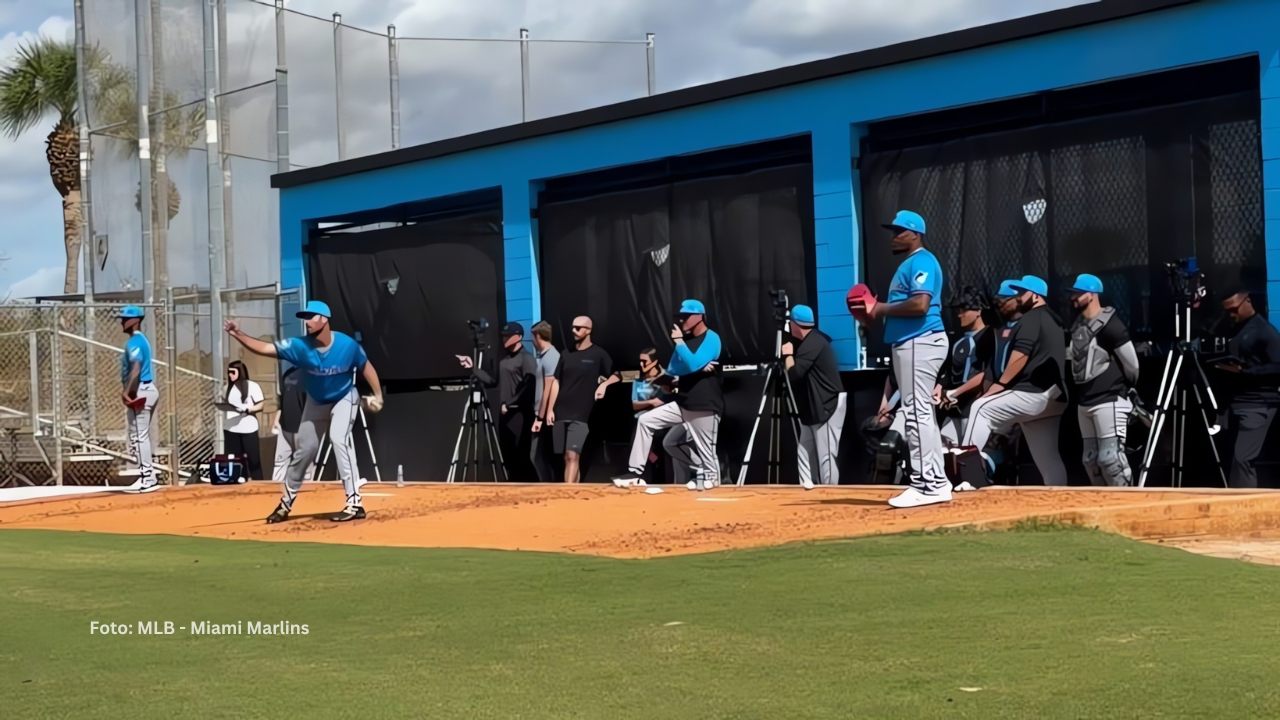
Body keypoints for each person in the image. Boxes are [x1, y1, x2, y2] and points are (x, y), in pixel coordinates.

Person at [225, 300, 384, 523]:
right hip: (316, 400)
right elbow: (264, 348)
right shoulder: (299, 346)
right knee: (305, 450)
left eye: (312, 316)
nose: (307, 321)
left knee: (339, 439)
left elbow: (366, 367)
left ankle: (354, 503)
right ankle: (285, 504)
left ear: (324, 319)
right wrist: (238, 333)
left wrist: (378, 396)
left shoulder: (346, 345)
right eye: (305, 317)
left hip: (344, 396)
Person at [854, 210, 951, 508]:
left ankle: (927, 484)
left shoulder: (921, 260)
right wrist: (872, 315)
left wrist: (879, 308)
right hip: (914, 343)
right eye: (893, 231)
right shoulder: (911, 264)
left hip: (919, 342)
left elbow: (921, 305)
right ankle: (938, 480)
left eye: (900, 231)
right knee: (922, 413)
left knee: (915, 412)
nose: (894, 237)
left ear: (915, 234)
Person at [962, 275, 1069, 486]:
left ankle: (965, 475)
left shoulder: (1031, 318)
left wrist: (998, 386)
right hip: (1055, 398)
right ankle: (1060, 501)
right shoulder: (1055, 319)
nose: (1019, 297)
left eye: (1023, 293)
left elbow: (1020, 357)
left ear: (1036, 296)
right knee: (1049, 461)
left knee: (981, 408)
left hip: (1033, 393)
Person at [612, 300, 724, 491]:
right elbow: (674, 368)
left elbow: (690, 364)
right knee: (648, 423)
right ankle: (635, 473)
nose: (682, 321)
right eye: (680, 317)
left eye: (686, 316)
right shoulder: (686, 343)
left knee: (708, 456)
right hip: (683, 402)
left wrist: (683, 348)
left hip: (704, 405)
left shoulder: (712, 337)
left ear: (699, 317)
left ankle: (709, 477)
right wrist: (682, 375)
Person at [1068, 274, 1140, 487]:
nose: (1073, 297)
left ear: (1091, 294)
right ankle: (1103, 506)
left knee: (1111, 458)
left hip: (1109, 398)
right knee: (1090, 460)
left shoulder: (1111, 325)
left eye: (1078, 293)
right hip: (1084, 401)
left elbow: (1132, 365)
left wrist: (1125, 388)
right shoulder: (1078, 325)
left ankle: (1128, 506)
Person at [1217, 288, 1280, 488]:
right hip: (1236, 404)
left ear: (1248, 301)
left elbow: (1278, 365)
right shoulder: (1233, 328)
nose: (1231, 314)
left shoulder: (1264, 331)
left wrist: (1247, 371)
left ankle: (1243, 507)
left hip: (1258, 405)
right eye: (1227, 311)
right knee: (1232, 458)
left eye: (1234, 309)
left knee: (1242, 458)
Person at [458, 322, 537, 481]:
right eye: (503, 336)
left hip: (520, 415)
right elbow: (493, 381)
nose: (504, 339)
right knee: (508, 454)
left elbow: (528, 386)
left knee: (522, 455)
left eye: (508, 336)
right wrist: (473, 368)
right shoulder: (504, 360)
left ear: (519, 337)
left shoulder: (527, 359)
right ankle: (514, 487)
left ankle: (533, 487)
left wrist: (510, 404)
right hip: (505, 415)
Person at [546, 315, 620, 483]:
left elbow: (617, 375)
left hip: (581, 414)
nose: (574, 331)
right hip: (561, 411)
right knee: (566, 457)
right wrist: (550, 409)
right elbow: (556, 381)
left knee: (573, 454)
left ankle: (568, 495)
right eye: (572, 327)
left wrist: (604, 385)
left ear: (588, 330)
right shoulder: (566, 354)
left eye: (578, 328)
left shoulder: (598, 354)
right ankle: (575, 492)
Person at [782, 304, 845, 489]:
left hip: (827, 402)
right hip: (813, 404)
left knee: (826, 453)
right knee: (804, 448)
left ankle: (829, 492)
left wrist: (788, 354)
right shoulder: (812, 341)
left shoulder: (814, 342)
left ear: (795, 324)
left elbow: (795, 373)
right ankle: (807, 487)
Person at [935, 287, 995, 445]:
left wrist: (955, 393)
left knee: (974, 454)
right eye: (957, 310)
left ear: (978, 310)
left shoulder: (990, 337)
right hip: (953, 410)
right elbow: (949, 371)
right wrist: (940, 388)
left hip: (976, 408)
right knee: (946, 450)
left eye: (964, 309)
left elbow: (987, 374)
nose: (959, 314)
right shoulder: (957, 341)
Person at [118, 305, 160, 493]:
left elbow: (135, 368)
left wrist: (128, 392)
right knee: (140, 435)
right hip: (146, 389)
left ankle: (147, 477)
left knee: (139, 436)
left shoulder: (134, 342)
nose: (122, 322)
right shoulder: (142, 340)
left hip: (140, 390)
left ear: (135, 321)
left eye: (125, 319)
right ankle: (147, 476)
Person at [271, 364, 315, 484]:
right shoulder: (286, 375)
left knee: (305, 463)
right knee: (280, 461)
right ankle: (275, 492)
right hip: (284, 425)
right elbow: (282, 400)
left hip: (303, 426)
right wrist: (277, 419)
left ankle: (308, 494)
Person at [221, 360, 265, 481]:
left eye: (233, 372)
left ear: (240, 372)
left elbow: (261, 405)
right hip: (231, 428)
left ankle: (258, 484)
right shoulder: (226, 388)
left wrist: (248, 409)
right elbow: (225, 403)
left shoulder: (253, 386)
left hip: (249, 428)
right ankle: (237, 483)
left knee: (253, 459)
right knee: (234, 459)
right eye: (228, 372)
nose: (230, 375)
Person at [528, 321, 560, 482]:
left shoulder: (551, 357)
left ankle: (550, 487)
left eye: (532, 337)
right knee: (537, 456)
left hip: (545, 417)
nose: (532, 342)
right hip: (540, 414)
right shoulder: (544, 357)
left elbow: (549, 388)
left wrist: (540, 418)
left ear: (538, 336)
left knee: (540, 456)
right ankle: (547, 485)